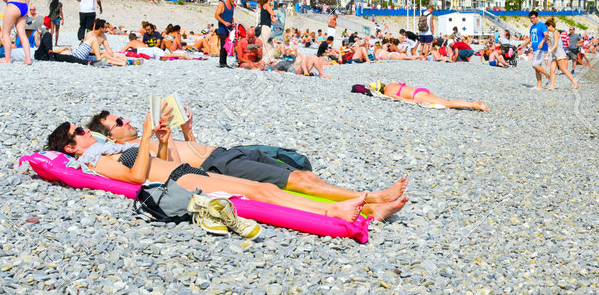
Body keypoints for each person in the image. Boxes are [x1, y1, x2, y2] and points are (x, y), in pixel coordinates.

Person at [87, 109, 408, 221]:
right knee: (295, 184)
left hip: (226, 153)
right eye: (117, 122)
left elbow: (177, 156)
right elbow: (151, 173)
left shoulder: (144, 143)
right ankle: (369, 200)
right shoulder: (126, 151)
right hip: (217, 166)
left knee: (301, 174)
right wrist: (149, 138)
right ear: (110, 136)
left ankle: (365, 201)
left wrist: (183, 132)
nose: (125, 120)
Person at [376, 82, 488, 111]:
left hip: (417, 95)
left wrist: (410, 101)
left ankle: (474, 105)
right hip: (420, 90)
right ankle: (472, 104)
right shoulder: (391, 84)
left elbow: (398, 98)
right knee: (447, 101)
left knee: (448, 104)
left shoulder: (387, 92)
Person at [548, 19, 578, 90]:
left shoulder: (556, 33)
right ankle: (552, 86)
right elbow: (553, 44)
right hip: (555, 54)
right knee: (552, 70)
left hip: (559, 54)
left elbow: (555, 45)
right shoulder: (553, 33)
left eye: (547, 27)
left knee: (564, 69)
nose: (547, 29)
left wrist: (549, 52)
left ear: (551, 26)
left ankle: (575, 83)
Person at [528, 11, 553, 90]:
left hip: (541, 48)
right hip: (535, 48)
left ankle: (547, 75)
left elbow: (546, 35)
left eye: (533, 18)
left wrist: (542, 42)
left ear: (537, 17)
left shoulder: (541, 25)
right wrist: (522, 46)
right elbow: (529, 38)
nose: (532, 20)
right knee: (537, 68)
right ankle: (539, 85)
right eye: (530, 18)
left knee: (535, 64)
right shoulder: (532, 27)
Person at [214, 0, 236, 68]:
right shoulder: (222, 4)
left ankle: (225, 62)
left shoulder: (232, 6)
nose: (233, 1)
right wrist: (224, 22)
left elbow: (231, 16)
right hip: (222, 28)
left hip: (229, 29)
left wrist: (233, 22)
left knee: (228, 45)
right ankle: (222, 63)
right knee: (223, 45)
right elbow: (216, 15)